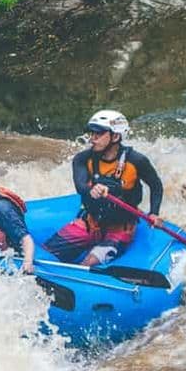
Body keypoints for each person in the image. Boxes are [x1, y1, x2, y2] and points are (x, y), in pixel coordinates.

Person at [43, 110, 164, 266]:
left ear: (115, 136)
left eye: (98, 134)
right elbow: (80, 186)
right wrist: (91, 190)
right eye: (92, 133)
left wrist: (154, 213)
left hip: (120, 228)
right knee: (46, 254)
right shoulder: (82, 159)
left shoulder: (136, 161)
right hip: (90, 223)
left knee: (88, 264)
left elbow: (156, 186)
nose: (93, 139)